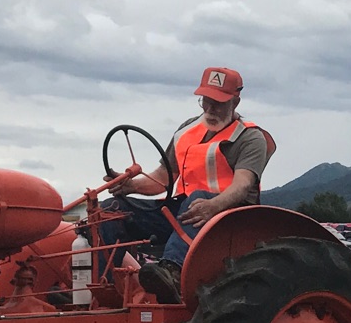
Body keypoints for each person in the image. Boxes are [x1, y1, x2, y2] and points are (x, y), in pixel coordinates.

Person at [103, 66, 274, 302]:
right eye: (206, 101)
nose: (211, 109)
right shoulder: (187, 130)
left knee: (195, 201)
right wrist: (132, 186)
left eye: (219, 103)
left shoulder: (250, 138)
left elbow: (243, 185)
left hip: (227, 218)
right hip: (185, 212)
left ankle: (171, 271)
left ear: (236, 102)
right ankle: (107, 285)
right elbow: (165, 176)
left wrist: (213, 206)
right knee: (110, 210)